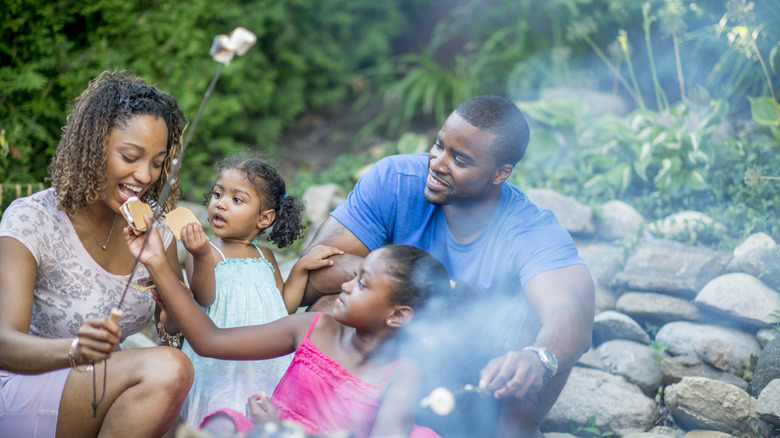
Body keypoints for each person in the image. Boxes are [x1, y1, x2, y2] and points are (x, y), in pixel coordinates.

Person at [298, 95, 596, 437]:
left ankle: (513, 431)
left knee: (538, 335)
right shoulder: (394, 179)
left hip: (477, 367)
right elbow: (315, 270)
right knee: (330, 307)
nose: (437, 163)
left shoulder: (528, 228)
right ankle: (315, 419)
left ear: (501, 173)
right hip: (391, 342)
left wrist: (537, 358)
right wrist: (419, 291)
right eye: (439, 145)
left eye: (460, 160)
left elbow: (572, 315)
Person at [0, 70, 194, 437]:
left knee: (173, 367)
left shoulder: (158, 230)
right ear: (92, 145)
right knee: (170, 369)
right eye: (130, 156)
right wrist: (75, 350)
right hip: (21, 388)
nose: (145, 175)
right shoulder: (32, 220)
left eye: (157, 162)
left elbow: (173, 334)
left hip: (99, 390)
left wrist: (170, 322)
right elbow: (3, 343)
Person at [125, 220, 445, 438]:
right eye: (354, 275)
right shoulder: (314, 328)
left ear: (398, 315)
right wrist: (157, 264)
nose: (345, 286)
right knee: (225, 422)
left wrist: (278, 430)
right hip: (269, 430)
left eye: (362, 283)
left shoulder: (401, 373)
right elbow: (211, 340)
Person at [175, 153, 343, 427]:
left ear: (264, 218)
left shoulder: (265, 256)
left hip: (266, 362)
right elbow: (205, 297)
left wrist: (300, 268)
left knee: (261, 423)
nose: (221, 204)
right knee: (224, 421)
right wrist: (200, 254)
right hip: (222, 364)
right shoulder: (207, 252)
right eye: (217, 194)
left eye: (236, 199)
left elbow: (282, 307)